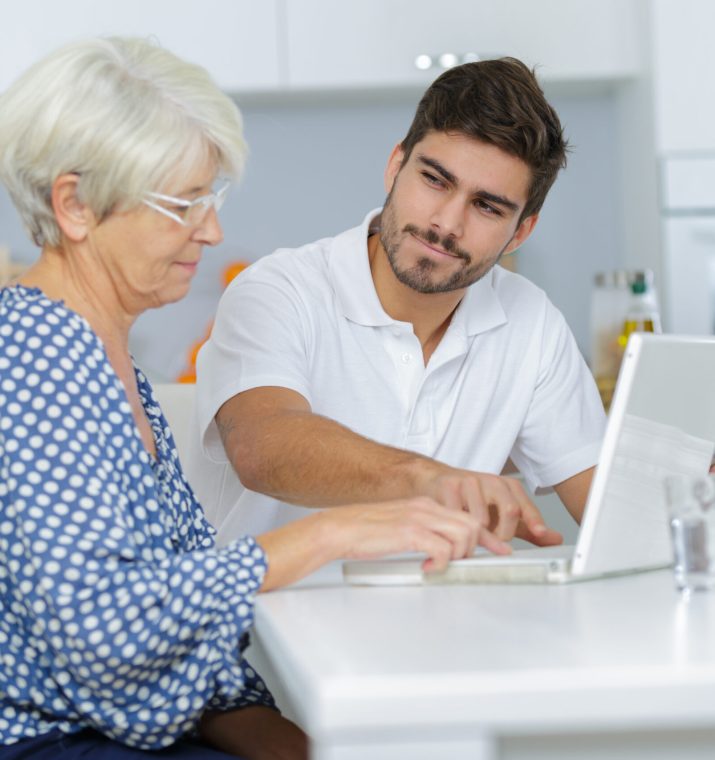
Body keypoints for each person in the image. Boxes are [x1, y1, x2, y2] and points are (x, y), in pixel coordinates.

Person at [0, 38, 502, 760]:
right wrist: (329, 533)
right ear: (74, 205)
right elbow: (102, 629)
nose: (211, 230)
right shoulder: (33, 356)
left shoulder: (109, 362)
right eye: (182, 203)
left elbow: (178, 649)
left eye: (211, 199)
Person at [189, 57, 607, 547]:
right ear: (395, 166)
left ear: (521, 232)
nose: (447, 224)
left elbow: (611, 506)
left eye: (487, 206)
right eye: (435, 180)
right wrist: (428, 479)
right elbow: (264, 446)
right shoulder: (279, 290)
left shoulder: (530, 322)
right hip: (264, 616)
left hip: (436, 618)